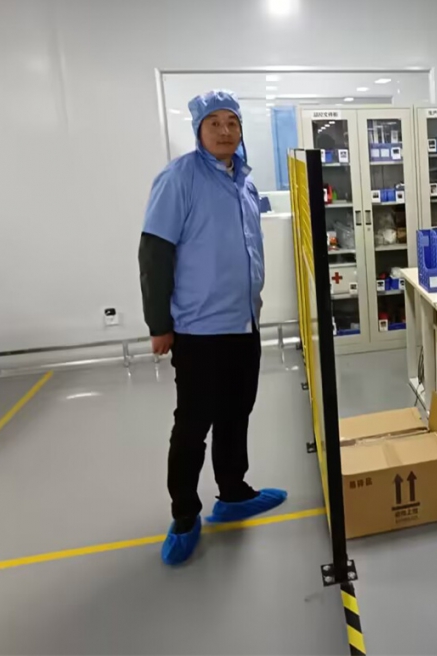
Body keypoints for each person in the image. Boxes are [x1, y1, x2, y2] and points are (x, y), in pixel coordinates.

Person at [139, 90, 287, 566]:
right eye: (214, 123)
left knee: (236, 412)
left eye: (232, 123)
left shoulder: (243, 181)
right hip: (199, 329)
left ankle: (234, 492)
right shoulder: (179, 178)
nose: (225, 131)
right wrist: (159, 324)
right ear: (198, 130)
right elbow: (154, 254)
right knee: (193, 425)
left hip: (244, 322)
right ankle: (185, 515)